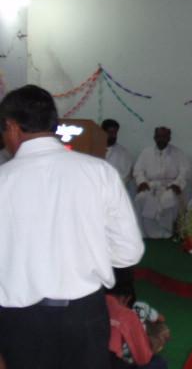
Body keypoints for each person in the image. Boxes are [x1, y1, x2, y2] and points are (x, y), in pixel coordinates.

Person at [0, 85, 144, 369]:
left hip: (20, 319)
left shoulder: (3, 179)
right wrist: (86, 253)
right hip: (83, 313)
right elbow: (129, 252)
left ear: (12, 127)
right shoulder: (99, 172)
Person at [133, 127, 191, 239]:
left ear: (169, 138)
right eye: (159, 136)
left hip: (170, 186)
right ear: (154, 137)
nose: (161, 139)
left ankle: (166, 232)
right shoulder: (146, 152)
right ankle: (146, 233)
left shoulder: (178, 153)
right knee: (141, 198)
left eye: (164, 137)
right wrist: (142, 182)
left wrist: (177, 184)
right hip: (151, 186)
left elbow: (185, 171)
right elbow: (138, 170)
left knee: (170, 199)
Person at [106, 281, 168, 369]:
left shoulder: (93, 301)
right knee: (159, 362)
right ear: (126, 298)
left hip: (87, 358)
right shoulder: (127, 314)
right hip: (106, 362)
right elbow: (143, 359)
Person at [102, 119, 134, 184]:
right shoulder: (92, 149)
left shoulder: (124, 153)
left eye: (115, 133)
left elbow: (126, 176)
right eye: (111, 133)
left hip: (114, 186)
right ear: (102, 132)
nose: (114, 136)